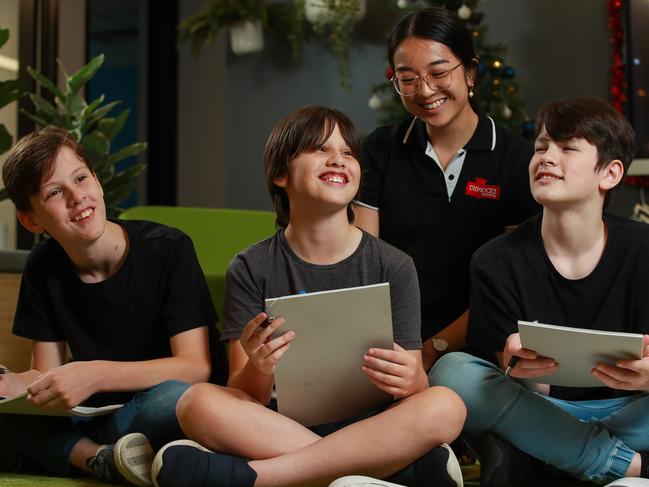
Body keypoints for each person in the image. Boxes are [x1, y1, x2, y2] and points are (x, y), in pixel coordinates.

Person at [150, 106, 467, 487]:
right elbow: (243, 391)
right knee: (196, 402)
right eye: (319, 149)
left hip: (372, 423)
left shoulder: (394, 265)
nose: (338, 159)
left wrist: (412, 377)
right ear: (281, 174)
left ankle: (258, 479)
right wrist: (260, 365)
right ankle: (394, 473)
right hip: (276, 426)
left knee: (446, 405)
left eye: (348, 152)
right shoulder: (251, 267)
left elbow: (413, 387)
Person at [429, 97, 649, 486]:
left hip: (634, 413)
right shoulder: (494, 260)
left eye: (567, 148)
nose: (546, 157)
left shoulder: (643, 248)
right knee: (452, 372)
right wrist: (516, 368)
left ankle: (554, 455)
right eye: (541, 147)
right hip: (540, 408)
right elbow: (513, 378)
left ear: (610, 173)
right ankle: (618, 464)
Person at [0, 127, 220, 485]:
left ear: (98, 182)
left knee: (176, 397)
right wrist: (8, 384)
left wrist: (94, 374)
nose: (77, 197)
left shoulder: (169, 248)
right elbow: (45, 375)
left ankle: (78, 453)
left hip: (162, 405)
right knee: (7, 417)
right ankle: (103, 459)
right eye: (55, 192)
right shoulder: (42, 266)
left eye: (81, 179)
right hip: (96, 414)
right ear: (31, 220)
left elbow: (195, 367)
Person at [354, 6, 539, 372]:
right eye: (407, 79)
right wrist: (397, 352)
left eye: (439, 73)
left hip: (479, 342)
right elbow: (364, 267)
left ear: (470, 73)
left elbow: (509, 285)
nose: (425, 91)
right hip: (388, 341)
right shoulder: (381, 149)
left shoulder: (516, 160)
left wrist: (432, 350)